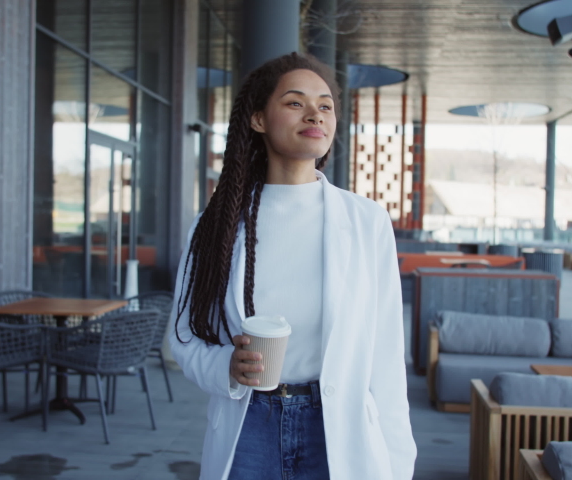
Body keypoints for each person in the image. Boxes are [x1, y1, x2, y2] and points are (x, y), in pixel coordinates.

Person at [169, 52, 416, 480]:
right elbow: (184, 338)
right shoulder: (216, 226)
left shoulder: (366, 221)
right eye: (295, 102)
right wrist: (226, 366)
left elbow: (387, 356)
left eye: (325, 105)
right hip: (248, 428)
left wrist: (399, 462)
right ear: (259, 119)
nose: (314, 114)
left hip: (340, 429)